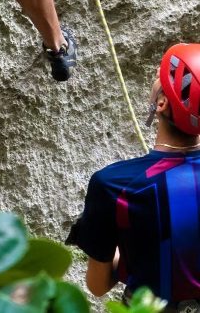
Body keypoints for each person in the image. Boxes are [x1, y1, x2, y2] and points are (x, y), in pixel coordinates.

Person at [67, 43, 200, 307]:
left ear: (161, 103)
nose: (155, 79)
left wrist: (128, 254)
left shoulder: (113, 184)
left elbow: (98, 285)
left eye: (159, 78)